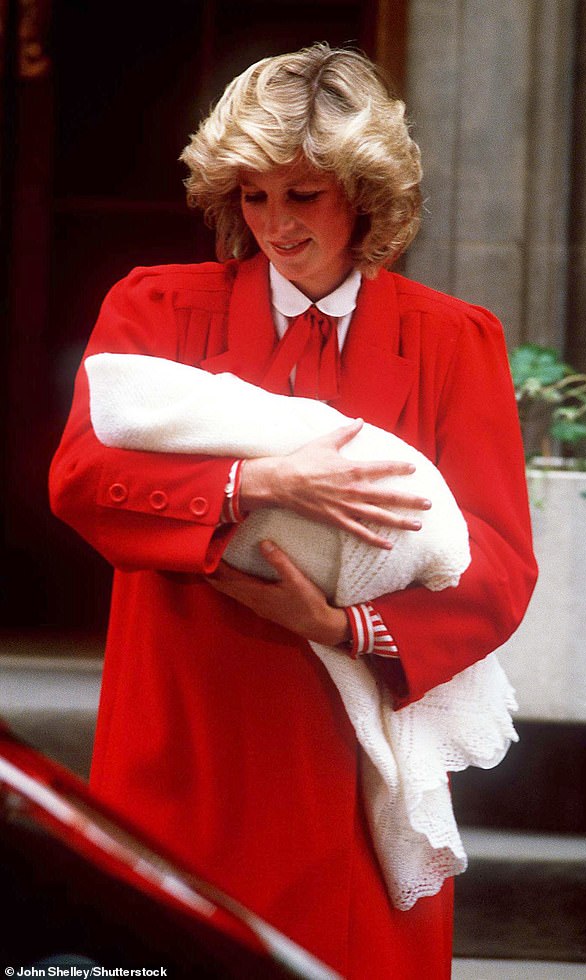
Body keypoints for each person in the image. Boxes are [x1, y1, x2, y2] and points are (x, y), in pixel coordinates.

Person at [50, 43, 537, 978]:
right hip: (184, 723)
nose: (274, 223)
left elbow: (501, 566)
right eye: (253, 194)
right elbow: (78, 479)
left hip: (349, 753)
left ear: (365, 193)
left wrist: (349, 625)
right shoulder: (155, 307)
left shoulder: (454, 339)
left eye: (302, 193)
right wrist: (254, 484)